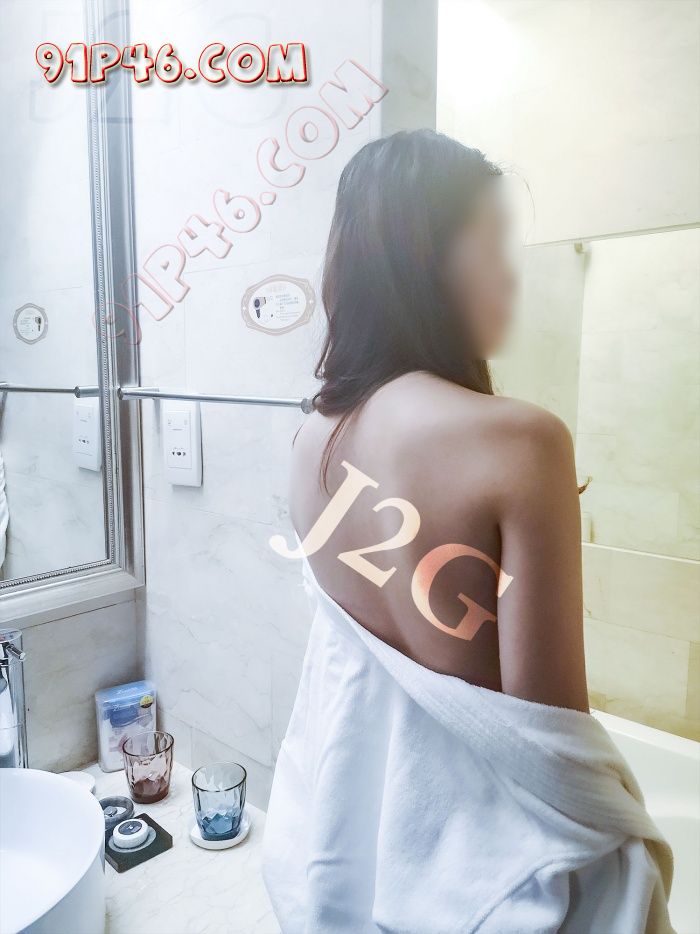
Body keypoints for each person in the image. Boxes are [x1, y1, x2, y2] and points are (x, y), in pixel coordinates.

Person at [262, 130, 674, 934]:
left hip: (362, 845)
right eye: (492, 245)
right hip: (488, 877)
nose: (511, 274)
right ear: (425, 260)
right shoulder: (521, 442)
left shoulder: (312, 436)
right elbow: (553, 745)